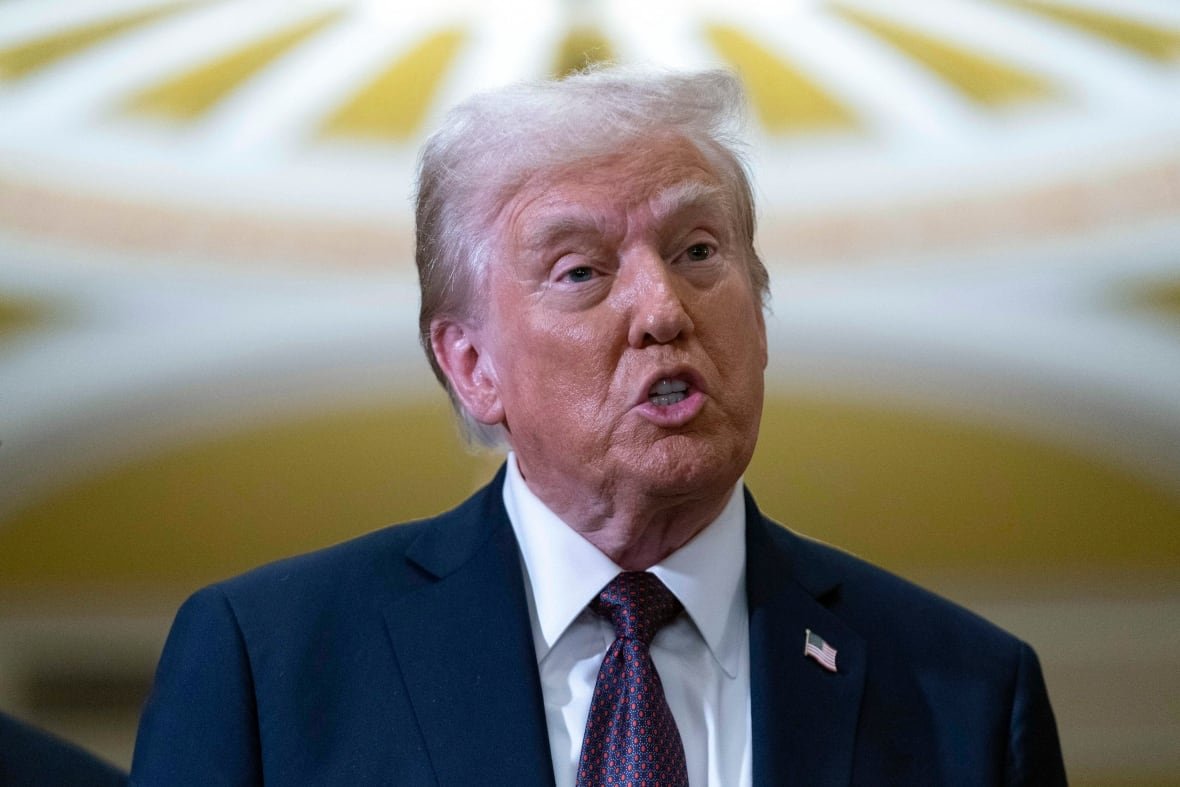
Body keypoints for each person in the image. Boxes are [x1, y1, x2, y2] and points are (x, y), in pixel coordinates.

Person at [130, 67, 1067, 785]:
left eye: (699, 250)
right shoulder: (269, 663)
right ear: (471, 364)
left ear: (762, 315)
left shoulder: (969, 694)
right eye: (581, 271)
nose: (663, 308)